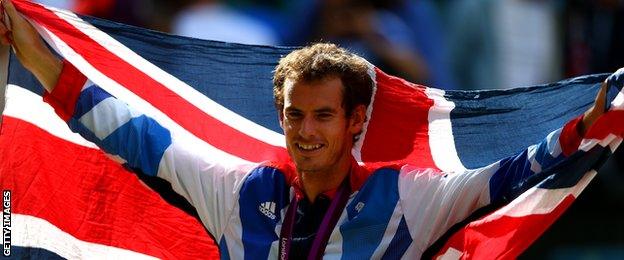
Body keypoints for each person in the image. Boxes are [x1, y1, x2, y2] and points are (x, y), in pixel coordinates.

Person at [0, 0, 617, 258]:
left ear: (354, 123)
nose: (306, 130)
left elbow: (505, 175)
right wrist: (34, 56)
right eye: (295, 114)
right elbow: (128, 133)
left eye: (324, 115)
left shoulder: (406, 196)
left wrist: (579, 130)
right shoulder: (236, 188)